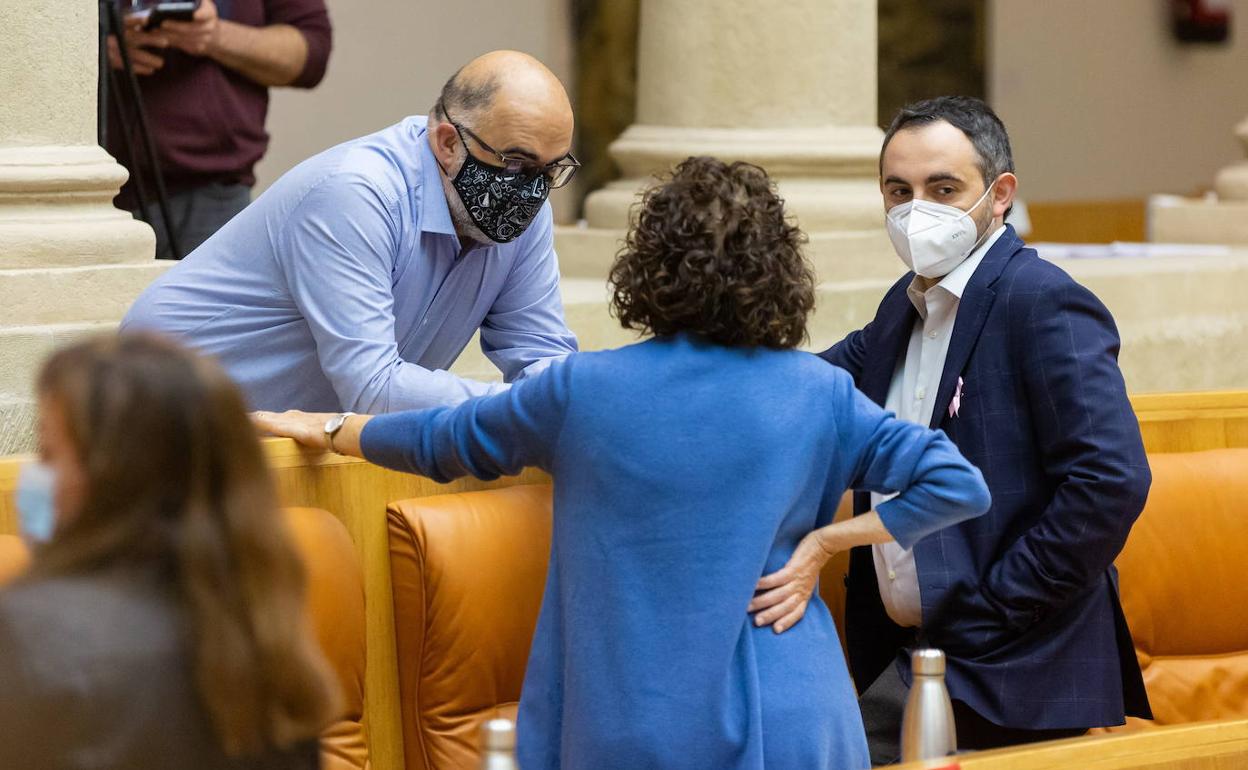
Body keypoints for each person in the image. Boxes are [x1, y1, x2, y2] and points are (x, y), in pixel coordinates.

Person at [255, 157, 992, 769]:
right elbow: (956, 483)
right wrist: (825, 545)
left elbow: (444, 441)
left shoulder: (582, 391)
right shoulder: (819, 392)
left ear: (649, 266)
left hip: (632, 723)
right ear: (779, 272)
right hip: (796, 718)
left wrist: (328, 426)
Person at [766, 96, 1152, 763]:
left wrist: (991, 609)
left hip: (1011, 664)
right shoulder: (904, 303)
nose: (917, 209)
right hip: (910, 655)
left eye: (943, 189)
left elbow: (1110, 480)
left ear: (999, 194)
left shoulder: (1041, 300)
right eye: (899, 190)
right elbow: (805, 387)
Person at [122, 50, 580, 414]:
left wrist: (575, 402)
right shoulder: (356, 193)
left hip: (297, 437)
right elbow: (374, 388)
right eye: (516, 162)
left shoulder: (524, 212)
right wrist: (524, 409)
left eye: (551, 169)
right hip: (164, 411)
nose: (533, 189)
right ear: (446, 142)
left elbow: (541, 355)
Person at [0, 334, 340, 769]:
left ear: (115, 477)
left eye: (48, 452)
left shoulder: (23, 632)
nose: (34, 476)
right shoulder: (262, 631)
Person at [106, 0, 333, 259]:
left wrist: (214, 35)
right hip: (90, 193)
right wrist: (96, 46)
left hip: (212, 193)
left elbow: (311, 52)